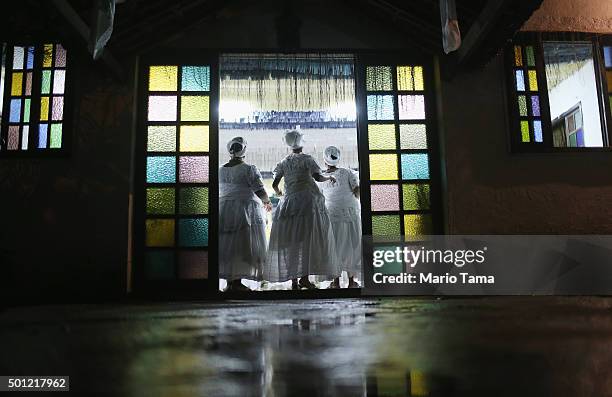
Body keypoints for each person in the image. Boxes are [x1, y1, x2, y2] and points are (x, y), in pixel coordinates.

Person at [265, 130, 340, 289]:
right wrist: (330, 178)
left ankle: (293, 280)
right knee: (307, 241)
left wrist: (281, 194)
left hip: (290, 204)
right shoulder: (307, 159)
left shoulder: (284, 162)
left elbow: (274, 185)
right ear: (302, 143)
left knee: (293, 240)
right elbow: (318, 177)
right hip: (307, 203)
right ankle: (304, 278)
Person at [219, 137, 272, 291]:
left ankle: (230, 282)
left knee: (228, 245)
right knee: (242, 245)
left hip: (225, 209)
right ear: (244, 150)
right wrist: (267, 201)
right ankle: (236, 282)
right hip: (244, 209)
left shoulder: (221, 170)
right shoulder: (249, 169)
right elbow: (259, 189)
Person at [319, 146, 362, 288]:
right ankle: (351, 281)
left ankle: (336, 281)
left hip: (332, 216)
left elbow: (319, 198)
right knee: (352, 246)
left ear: (324, 161)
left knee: (334, 247)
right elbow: (357, 192)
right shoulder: (347, 173)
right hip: (350, 214)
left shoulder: (320, 177)